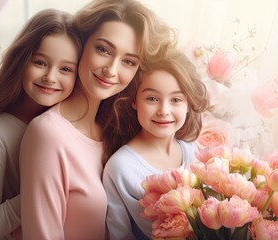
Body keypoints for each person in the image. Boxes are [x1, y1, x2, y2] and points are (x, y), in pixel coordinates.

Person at [18, 0, 177, 239]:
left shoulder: (112, 130)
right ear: (83, 44)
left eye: (128, 61)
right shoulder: (48, 134)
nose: (111, 70)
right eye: (103, 50)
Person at [0, 8, 81, 240]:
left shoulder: (74, 125)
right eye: (40, 62)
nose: (50, 77)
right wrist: (42, 188)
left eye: (65, 69)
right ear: (21, 62)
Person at [102, 49, 209, 239]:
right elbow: (120, 234)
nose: (164, 111)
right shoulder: (121, 167)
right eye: (152, 99)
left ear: (188, 104)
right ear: (134, 100)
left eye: (176, 99)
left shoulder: (192, 150)